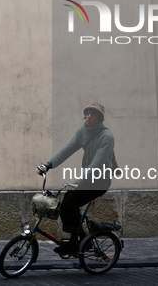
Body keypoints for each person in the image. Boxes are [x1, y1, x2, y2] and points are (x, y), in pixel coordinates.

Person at [36, 101, 118, 255]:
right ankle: (82, 240)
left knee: (71, 204)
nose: (88, 116)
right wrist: (47, 165)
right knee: (65, 203)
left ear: (99, 118)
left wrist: (78, 182)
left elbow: (96, 164)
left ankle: (75, 244)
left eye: (93, 114)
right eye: (87, 113)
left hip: (100, 179)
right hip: (87, 178)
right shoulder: (83, 131)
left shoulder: (107, 136)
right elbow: (67, 149)